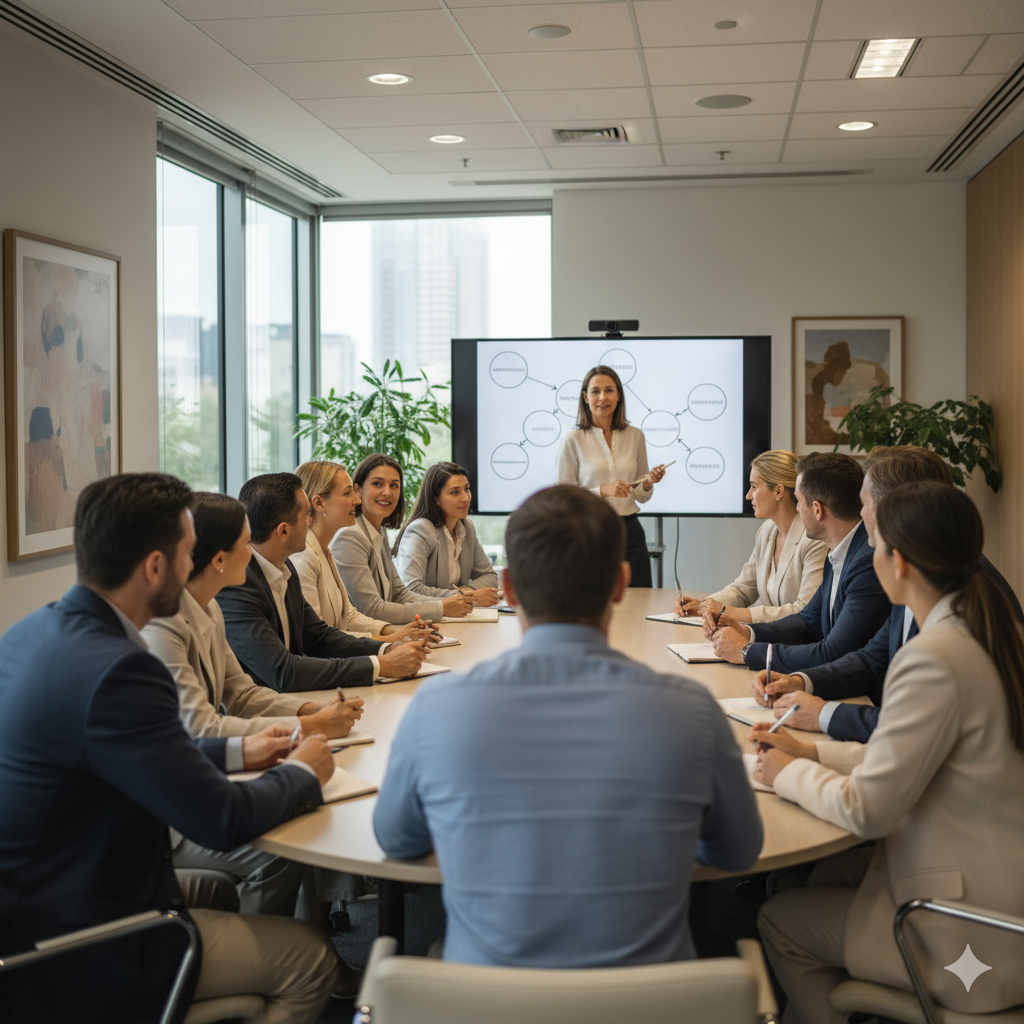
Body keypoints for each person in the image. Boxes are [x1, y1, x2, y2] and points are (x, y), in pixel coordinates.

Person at [373, 485, 763, 968]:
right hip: (656, 999)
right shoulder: (693, 711)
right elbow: (738, 850)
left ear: (509, 588)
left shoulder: (435, 708)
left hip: (484, 1000)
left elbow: (396, 840)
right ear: (621, 583)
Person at [0, 473, 338, 1024]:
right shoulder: (122, 670)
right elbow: (220, 819)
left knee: (219, 893)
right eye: (187, 554)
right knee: (313, 960)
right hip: (78, 940)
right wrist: (303, 772)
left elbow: (120, 754)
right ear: (155, 567)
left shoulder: (29, 634)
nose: (193, 566)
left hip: (39, 899)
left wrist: (238, 754)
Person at [751, 481, 1024, 1022]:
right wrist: (812, 755)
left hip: (968, 935)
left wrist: (782, 773)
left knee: (779, 920)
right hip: (999, 887)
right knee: (825, 876)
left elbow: (867, 809)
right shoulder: (993, 628)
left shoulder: (935, 657)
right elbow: (926, 755)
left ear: (897, 562)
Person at [759, 446, 1024, 736]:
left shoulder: (955, 605)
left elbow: (910, 729)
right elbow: (873, 657)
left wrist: (822, 715)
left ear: (900, 507)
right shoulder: (921, 577)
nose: (860, 514)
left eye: (865, 502)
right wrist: (801, 681)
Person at [218, 472, 429, 692]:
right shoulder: (237, 585)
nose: (310, 521)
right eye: (305, 516)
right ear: (283, 530)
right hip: (265, 715)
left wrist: (386, 649)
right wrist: (381, 665)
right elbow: (282, 671)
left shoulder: (284, 567)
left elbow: (320, 637)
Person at [709, 451, 890, 673]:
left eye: (799, 501)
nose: (796, 508)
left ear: (817, 509)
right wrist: (748, 632)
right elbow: (808, 620)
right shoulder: (841, 549)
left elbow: (833, 652)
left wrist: (747, 651)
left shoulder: (865, 562)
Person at [291, 460, 436, 643]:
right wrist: (389, 640)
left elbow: (349, 616)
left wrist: (393, 631)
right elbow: (318, 640)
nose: (356, 500)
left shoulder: (323, 550)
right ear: (319, 504)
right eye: (347, 493)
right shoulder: (303, 559)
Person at [676, 450, 827, 623]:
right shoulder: (767, 530)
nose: (748, 495)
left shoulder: (814, 540)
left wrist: (731, 613)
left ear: (778, 491)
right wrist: (705, 606)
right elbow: (744, 588)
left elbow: (804, 610)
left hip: (800, 645)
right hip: (772, 638)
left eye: (754, 487)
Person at [555, 365, 667, 588]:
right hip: (590, 531)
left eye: (609, 390)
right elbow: (563, 499)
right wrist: (603, 491)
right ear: (585, 397)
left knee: (640, 600)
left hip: (630, 531)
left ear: (618, 396)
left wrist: (647, 483)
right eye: (595, 391)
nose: (602, 397)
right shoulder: (572, 439)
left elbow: (641, 497)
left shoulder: (635, 435)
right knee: (593, 600)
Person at [332, 454, 474, 624]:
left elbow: (399, 593)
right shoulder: (350, 536)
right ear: (358, 490)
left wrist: (444, 605)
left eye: (394, 485)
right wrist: (442, 608)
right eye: (377, 484)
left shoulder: (379, 532)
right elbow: (371, 609)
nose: (387, 492)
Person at [394, 461, 499, 605]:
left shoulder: (466, 526)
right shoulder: (420, 530)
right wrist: (467, 595)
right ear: (436, 499)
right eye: (455, 492)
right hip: (426, 618)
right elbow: (411, 589)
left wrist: (466, 591)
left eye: (466, 489)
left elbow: (489, 576)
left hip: (457, 615)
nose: (465, 498)